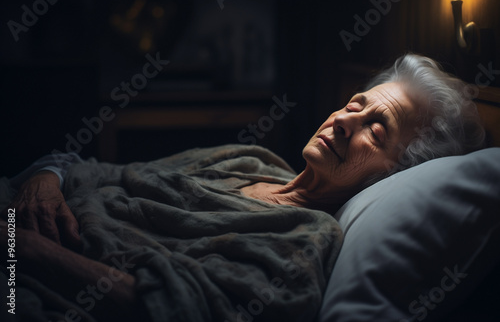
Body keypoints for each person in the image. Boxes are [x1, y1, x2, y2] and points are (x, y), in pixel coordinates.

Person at [0, 53, 485, 321]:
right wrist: (46, 180)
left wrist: (27, 251)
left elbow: (176, 309)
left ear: (394, 175)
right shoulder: (247, 159)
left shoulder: (303, 243)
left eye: (376, 131)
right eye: (355, 104)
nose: (344, 121)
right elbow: (92, 169)